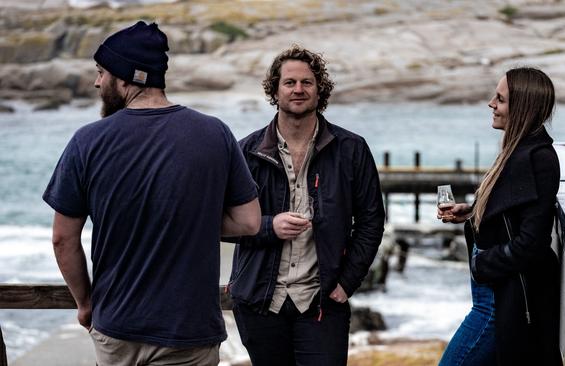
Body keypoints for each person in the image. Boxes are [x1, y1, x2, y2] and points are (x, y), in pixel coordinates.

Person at [42, 21, 261, 366]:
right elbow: (249, 223)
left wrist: (85, 305)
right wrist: (192, 219)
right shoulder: (215, 133)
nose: (97, 82)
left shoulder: (87, 141)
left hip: (118, 328)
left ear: (128, 76)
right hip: (190, 331)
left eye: (102, 72)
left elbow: (62, 239)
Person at [229, 45, 385, 365]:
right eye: (289, 82)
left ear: (319, 90)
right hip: (260, 302)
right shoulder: (245, 152)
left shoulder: (352, 149)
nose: (298, 89)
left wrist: (346, 283)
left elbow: (371, 220)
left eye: (307, 82)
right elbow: (223, 220)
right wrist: (269, 226)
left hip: (323, 302)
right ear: (275, 90)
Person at [437, 67, 562, 366]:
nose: (492, 104)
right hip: (490, 297)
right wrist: (472, 211)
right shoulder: (516, 150)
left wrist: (481, 264)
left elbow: (531, 243)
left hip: (498, 302)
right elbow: (512, 210)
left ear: (522, 107)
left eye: (501, 99)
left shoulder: (537, 158)